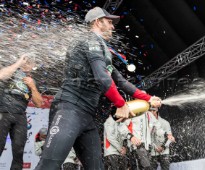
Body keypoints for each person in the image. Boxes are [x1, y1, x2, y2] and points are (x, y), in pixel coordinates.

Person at [35, 7, 161, 170]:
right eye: (109, 22)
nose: (112, 26)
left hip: (87, 117)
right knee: (50, 164)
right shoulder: (90, 40)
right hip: (69, 109)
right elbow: (102, 78)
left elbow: (121, 82)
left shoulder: (104, 50)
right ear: (97, 22)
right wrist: (120, 104)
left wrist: (148, 98)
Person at [0, 55, 43, 170]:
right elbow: (1, 75)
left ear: (33, 65)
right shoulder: (12, 71)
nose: (27, 63)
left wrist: (33, 87)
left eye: (30, 62)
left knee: (19, 151)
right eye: (25, 61)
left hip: (20, 117)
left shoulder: (32, 80)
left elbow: (39, 103)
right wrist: (18, 63)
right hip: (3, 113)